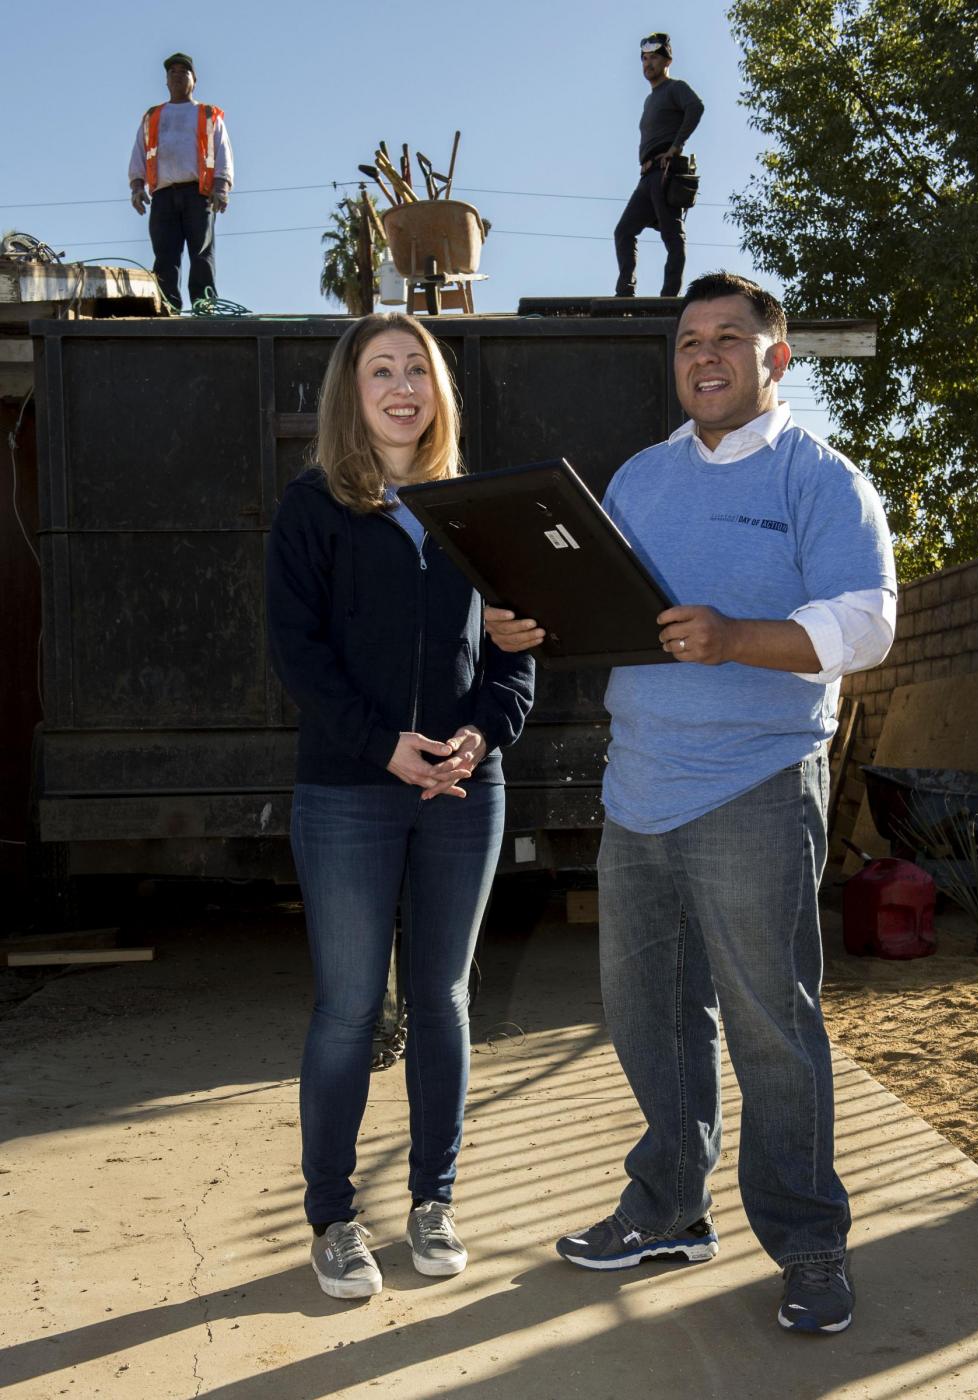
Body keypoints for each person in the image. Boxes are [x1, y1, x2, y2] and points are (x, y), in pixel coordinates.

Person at [485, 272, 896, 1335]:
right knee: (651, 1017)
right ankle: (669, 1205)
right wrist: (534, 620)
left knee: (773, 1026)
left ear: (777, 357)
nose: (705, 356)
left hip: (757, 781)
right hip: (641, 785)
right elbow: (608, 606)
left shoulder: (821, 478)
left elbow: (863, 623)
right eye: (688, 342)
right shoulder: (639, 477)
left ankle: (810, 1242)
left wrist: (736, 635)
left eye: (729, 338)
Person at [266, 313, 534, 1301]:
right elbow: (299, 654)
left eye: (416, 368)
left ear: (438, 391)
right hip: (349, 790)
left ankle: (433, 1199)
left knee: (444, 999)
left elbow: (516, 648)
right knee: (347, 1007)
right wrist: (385, 744)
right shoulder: (313, 508)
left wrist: (482, 736)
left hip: (464, 791)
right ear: (352, 391)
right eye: (380, 368)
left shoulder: (477, 512)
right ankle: (333, 1217)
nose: (401, 384)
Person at [128, 52, 234, 311]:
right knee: (165, 256)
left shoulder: (207, 114)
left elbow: (223, 152)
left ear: (194, 80)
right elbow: (139, 154)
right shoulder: (153, 117)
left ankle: (204, 304)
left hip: (199, 195)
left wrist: (221, 187)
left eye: (183, 72)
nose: (177, 75)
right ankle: (168, 306)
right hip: (163, 196)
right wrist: (137, 187)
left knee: (202, 254)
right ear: (166, 81)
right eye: (172, 72)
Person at [614, 32, 704, 299]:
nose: (647, 63)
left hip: (666, 172)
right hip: (647, 175)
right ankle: (625, 291)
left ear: (667, 61)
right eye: (644, 58)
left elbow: (696, 108)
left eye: (653, 58)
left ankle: (668, 298)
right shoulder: (650, 98)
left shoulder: (675, 88)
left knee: (672, 237)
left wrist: (676, 147)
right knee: (624, 231)